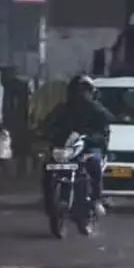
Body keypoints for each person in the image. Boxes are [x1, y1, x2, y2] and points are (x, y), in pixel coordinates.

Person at [42, 75, 115, 221]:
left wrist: (90, 137)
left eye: (84, 90)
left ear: (91, 92)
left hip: (89, 147)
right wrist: (45, 133)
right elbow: (48, 124)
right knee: (47, 167)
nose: (81, 93)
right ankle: (50, 204)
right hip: (66, 149)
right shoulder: (62, 109)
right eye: (78, 90)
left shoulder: (96, 109)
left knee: (94, 164)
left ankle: (96, 199)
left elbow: (106, 125)